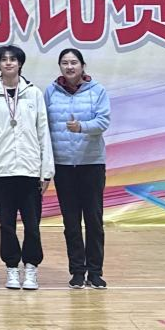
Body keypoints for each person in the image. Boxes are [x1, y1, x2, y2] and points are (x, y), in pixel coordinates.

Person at [0, 45, 54, 292]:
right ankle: (11, 268)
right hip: (2, 170)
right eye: (4, 59)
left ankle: (31, 268)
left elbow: (43, 133)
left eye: (13, 59)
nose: (8, 63)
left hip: (30, 170)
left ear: (20, 64)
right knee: (6, 224)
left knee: (32, 225)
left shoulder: (33, 93)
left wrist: (46, 171)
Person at [44, 48, 110, 290]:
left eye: (74, 62)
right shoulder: (51, 92)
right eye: (65, 63)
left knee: (94, 220)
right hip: (63, 165)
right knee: (71, 222)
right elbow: (43, 125)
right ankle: (77, 271)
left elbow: (103, 121)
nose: (69, 67)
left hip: (91, 164)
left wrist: (81, 127)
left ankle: (95, 272)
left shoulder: (97, 91)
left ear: (82, 65)